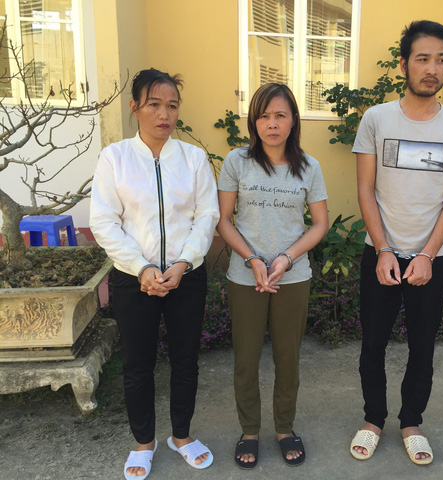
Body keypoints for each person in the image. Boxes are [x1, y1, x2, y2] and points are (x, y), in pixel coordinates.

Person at [350, 20, 443, 465]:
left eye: (441, 60)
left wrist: (426, 254)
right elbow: (366, 189)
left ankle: (411, 423)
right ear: (404, 64)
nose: (432, 69)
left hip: (431, 258)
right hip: (380, 253)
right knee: (373, 345)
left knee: (423, 348)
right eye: (423, 59)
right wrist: (384, 249)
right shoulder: (376, 119)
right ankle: (372, 420)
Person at [90, 68, 219, 479]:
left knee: (185, 361)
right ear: (135, 107)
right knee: (137, 364)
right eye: (154, 104)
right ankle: (143, 443)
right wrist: (142, 267)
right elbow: (104, 222)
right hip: (134, 279)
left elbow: (207, 215)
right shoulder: (115, 158)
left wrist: (184, 263)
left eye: (172, 106)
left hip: (186, 275)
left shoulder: (193, 158)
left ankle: (181, 436)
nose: (165, 114)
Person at [216, 83, 329, 469]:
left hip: (292, 278)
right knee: (246, 359)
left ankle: (284, 428)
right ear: (254, 121)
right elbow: (223, 220)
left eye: (280, 115)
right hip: (245, 277)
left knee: (288, 358)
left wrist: (286, 257)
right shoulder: (237, 162)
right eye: (264, 116)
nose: (272, 124)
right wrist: (252, 259)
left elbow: (320, 224)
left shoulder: (309, 167)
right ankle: (249, 430)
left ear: (293, 119)